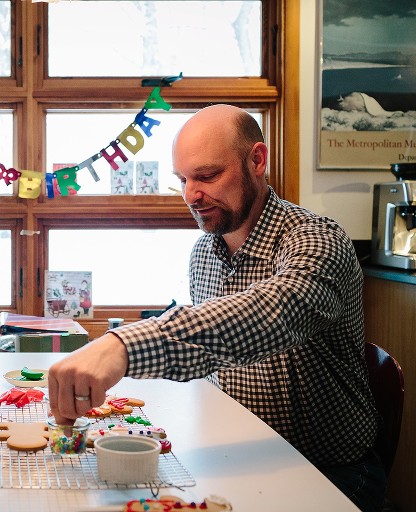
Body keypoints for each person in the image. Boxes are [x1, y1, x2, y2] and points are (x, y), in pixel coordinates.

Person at [48, 104, 386, 512]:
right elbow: (213, 354)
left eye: (207, 175)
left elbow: (275, 312)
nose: (191, 194)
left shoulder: (317, 240)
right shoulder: (204, 254)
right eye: (184, 179)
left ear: (257, 160)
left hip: (329, 471)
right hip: (246, 455)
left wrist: (123, 347)